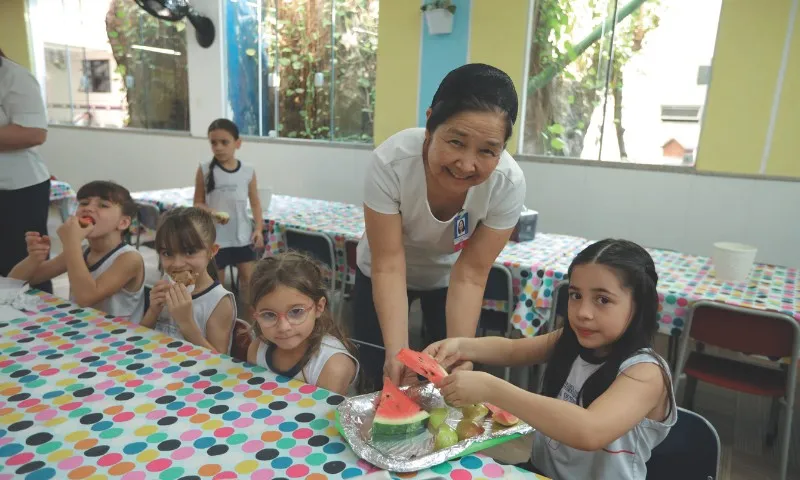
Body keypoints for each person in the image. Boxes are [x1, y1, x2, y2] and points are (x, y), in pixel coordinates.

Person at [424, 239, 677, 479]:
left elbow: (589, 430)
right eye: (576, 295)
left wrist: (492, 388)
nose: (583, 313)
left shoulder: (646, 373)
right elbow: (512, 350)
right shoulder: (570, 341)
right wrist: (460, 346)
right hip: (541, 473)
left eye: (603, 300)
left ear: (640, 306)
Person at [353, 63, 527, 388]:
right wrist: (397, 352)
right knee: (382, 375)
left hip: (450, 280)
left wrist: (463, 351)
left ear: (503, 147)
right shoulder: (390, 163)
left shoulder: (507, 184)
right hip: (382, 272)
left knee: (446, 379)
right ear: (431, 123)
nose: (466, 164)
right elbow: (389, 265)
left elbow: (472, 274)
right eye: (456, 142)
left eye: (488, 150)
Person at [9, 181, 145, 322]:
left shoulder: (129, 258)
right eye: (84, 203)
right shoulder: (82, 251)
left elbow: (86, 298)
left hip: (120, 338)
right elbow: (14, 281)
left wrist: (71, 242)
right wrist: (34, 258)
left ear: (123, 223)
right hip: (79, 329)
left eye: (103, 205)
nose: (88, 209)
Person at [246, 252, 359, 395]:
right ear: (254, 314)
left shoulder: (332, 366)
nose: (283, 327)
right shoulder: (256, 350)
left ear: (319, 307)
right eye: (269, 315)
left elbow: (324, 416)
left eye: (296, 312)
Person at [141, 207, 237, 354]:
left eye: (190, 252)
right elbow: (139, 339)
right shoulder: (166, 284)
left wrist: (186, 322)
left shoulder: (218, 301)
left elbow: (220, 361)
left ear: (212, 251)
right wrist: (153, 310)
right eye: (167, 253)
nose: (178, 264)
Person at [194, 118, 264, 300]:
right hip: (216, 238)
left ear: (237, 143)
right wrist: (213, 213)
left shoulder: (248, 170)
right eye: (213, 143)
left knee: (249, 283)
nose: (218, 147)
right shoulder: (204, 169)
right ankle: (221, 324)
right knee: (217, 286)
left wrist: (258, 229)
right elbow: (198, 203)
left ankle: (250, 326)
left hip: (242, 236)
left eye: (224, 142)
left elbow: (255, 202)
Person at [0, 48, 52, 293]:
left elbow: (34, 132)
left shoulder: (13, 77)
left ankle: (40, 328)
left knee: (25, 267)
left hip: (16, 191)